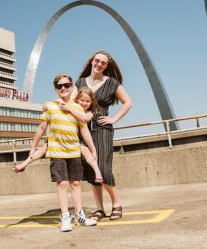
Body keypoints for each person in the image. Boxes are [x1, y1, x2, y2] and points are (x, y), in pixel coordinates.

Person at [29, 74, 99, 231]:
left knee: (76, 184)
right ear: (55, 89)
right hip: (57, 151)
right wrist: (33, 146)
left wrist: (93, 148)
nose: (63, 88)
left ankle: (80, 216)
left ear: (72, 87)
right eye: (60, 86)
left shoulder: (78, 108)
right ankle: (65, 217)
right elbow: (41, 128)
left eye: (66, 85)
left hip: (73, 151)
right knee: (63, 184)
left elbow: (84, 130)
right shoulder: (50, 106)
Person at [76, 50, 132, 220]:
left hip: (102, 128)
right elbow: (69, 102)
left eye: (103, 62)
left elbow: (128, 102)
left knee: (102, 167)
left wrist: (113, 118)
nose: (99, 64)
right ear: (91, 61)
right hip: (83, 129)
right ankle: (99, 209)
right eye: (97, 61)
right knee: (90, 167)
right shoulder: (79, 83)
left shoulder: (112, 83)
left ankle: (116, 202)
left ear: (107, 66)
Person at [14, 87, 106, 184]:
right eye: (82, 100)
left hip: (79, 139)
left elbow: (83, 119)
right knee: (44, 147)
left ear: (92, 102)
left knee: (86, 150)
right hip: (63, 137)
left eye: (87, 101)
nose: (84, 103)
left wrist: (93, 149)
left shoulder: (89, 113)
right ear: (77, 99)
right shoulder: (70, 106)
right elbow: (57, 102)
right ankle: (24, 164)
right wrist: (47, 105)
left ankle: (97, 172)